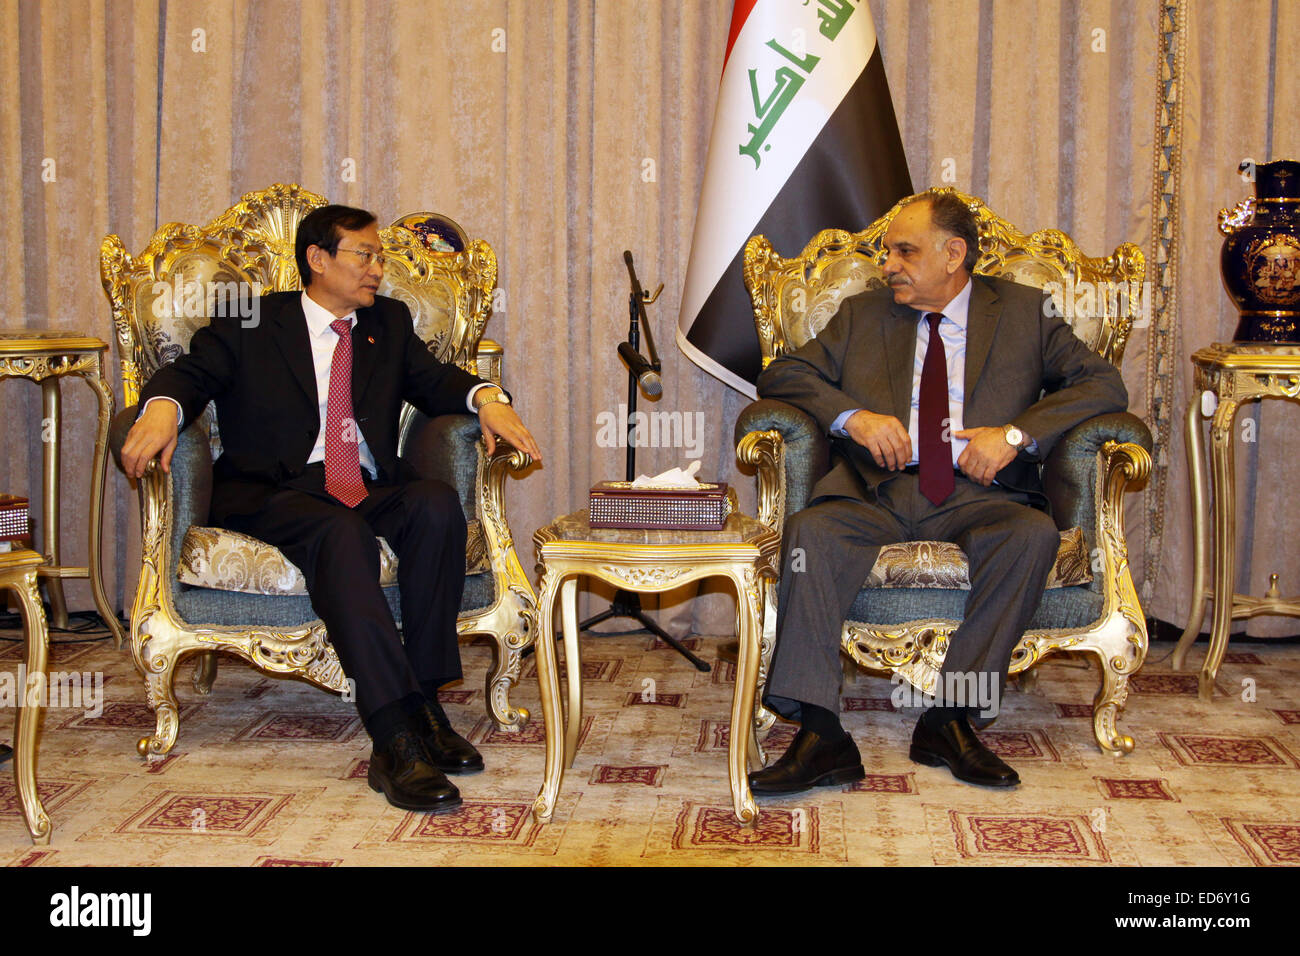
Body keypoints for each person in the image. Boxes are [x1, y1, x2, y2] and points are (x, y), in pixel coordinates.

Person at [120, 204, 542, 814]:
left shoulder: (387, 324)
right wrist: (161, 404)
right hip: (273, 490)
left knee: (435, 505)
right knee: (340, 534)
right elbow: (190, 373)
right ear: (317, 260)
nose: (377, 269)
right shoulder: (253, 320)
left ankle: (422, 703)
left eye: (380, 257)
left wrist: (488, 399)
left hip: (362, 484)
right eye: (364, 256)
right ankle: (394, 737)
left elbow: (440, 380)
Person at [750, 191, 1127, 792]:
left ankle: (949, 718)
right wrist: (855, 418)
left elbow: (1104, 384)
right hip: (877, 488)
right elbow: (783, 372)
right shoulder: (865, 314)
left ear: (954, 254)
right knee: (809, 534)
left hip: (979, 492)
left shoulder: (1026, 313)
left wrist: (1014, 434)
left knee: (1030, 537)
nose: (888, 264)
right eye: (886, 252)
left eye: (904, 251)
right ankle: (820, 734)